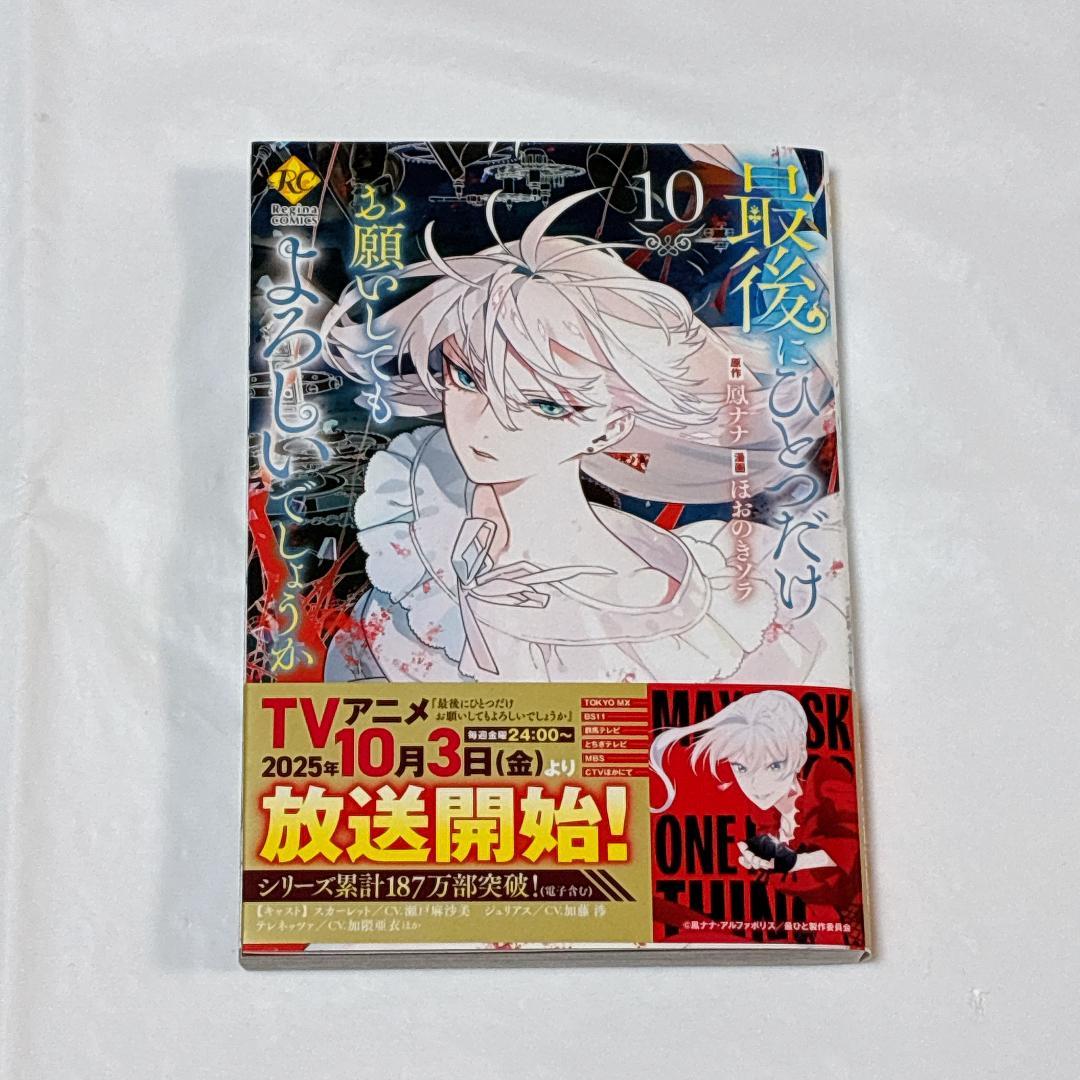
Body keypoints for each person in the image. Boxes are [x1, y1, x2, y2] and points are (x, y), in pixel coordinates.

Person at [320, 190, 849, 683]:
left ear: (612, 427)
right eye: (467, 378)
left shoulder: (691, 604)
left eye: (547, 405)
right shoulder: (417, 553)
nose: (487, 423)